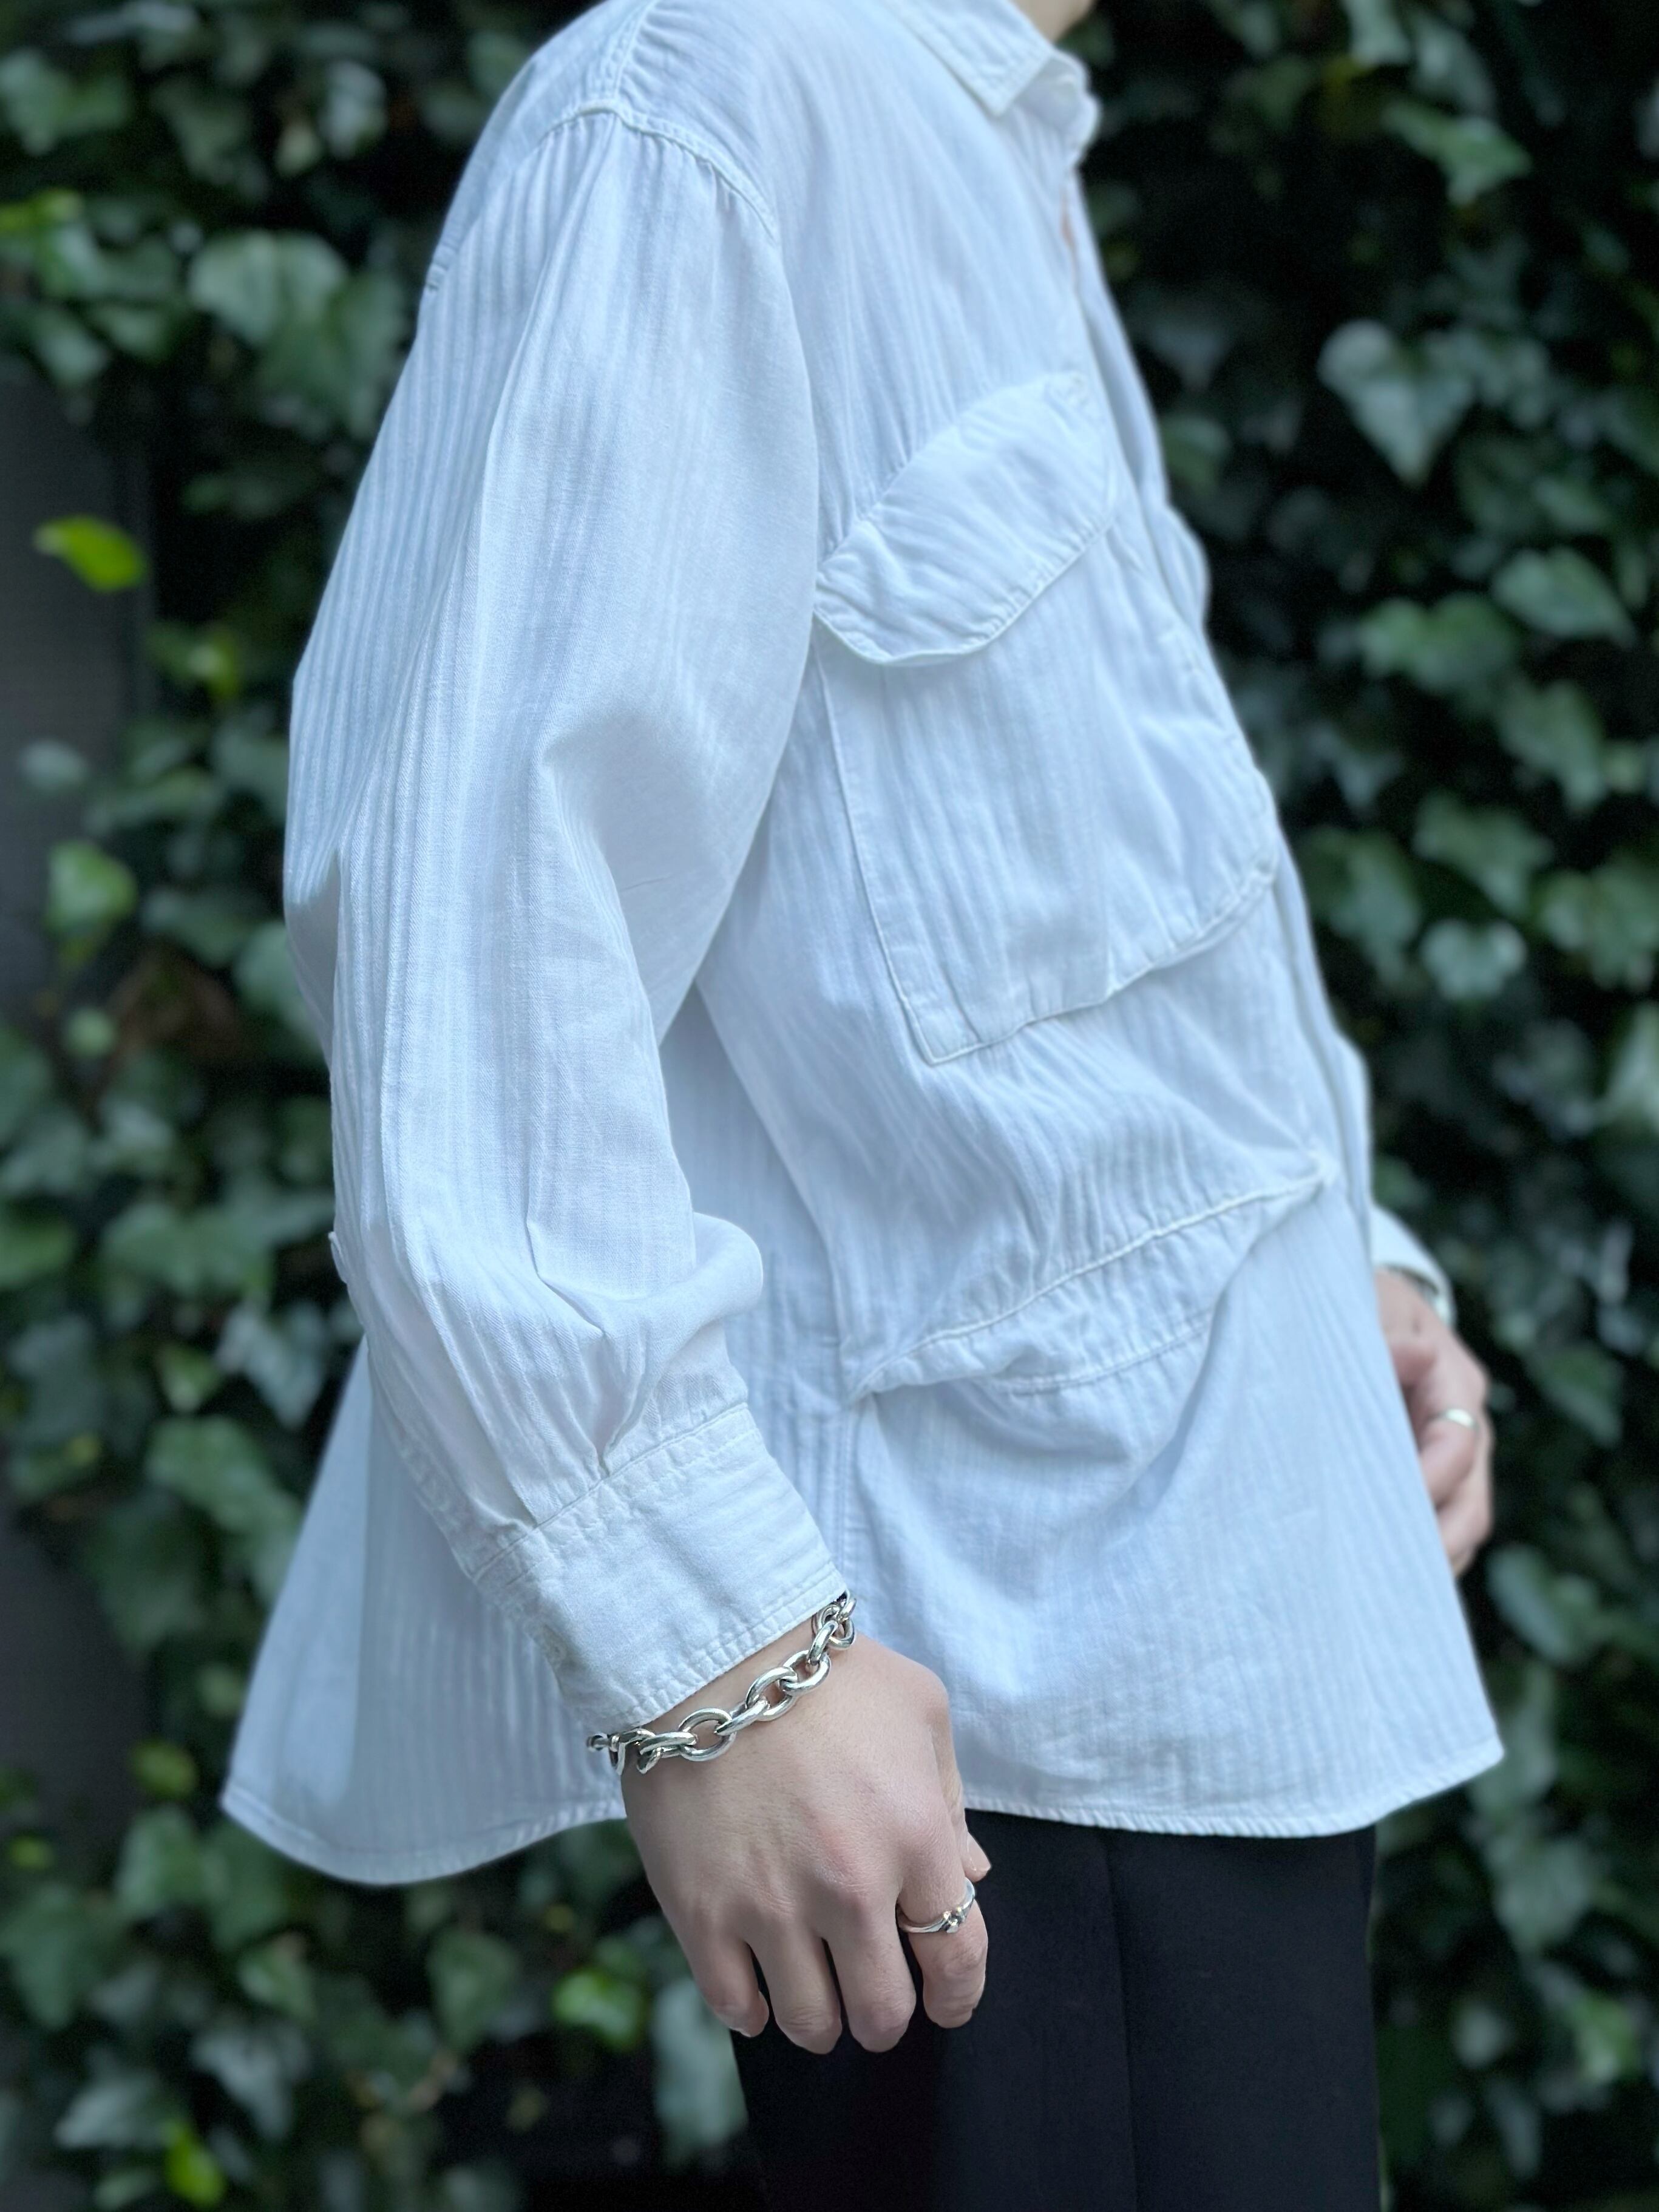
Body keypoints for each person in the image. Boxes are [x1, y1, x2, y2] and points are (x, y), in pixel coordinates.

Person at [224, 0, 1504, 2200]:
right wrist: (717, 1646)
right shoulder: (705, 103)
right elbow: (476, 922)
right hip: (977, 1720)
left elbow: (1065, 894)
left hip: (1198, 1631)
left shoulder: (981, 141)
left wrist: (1344, 1271)